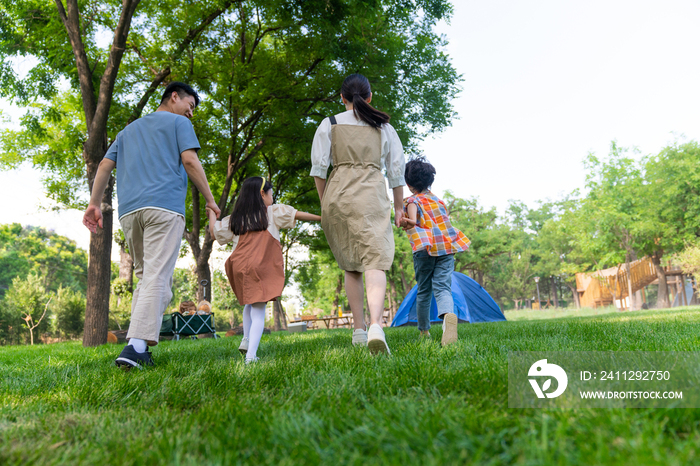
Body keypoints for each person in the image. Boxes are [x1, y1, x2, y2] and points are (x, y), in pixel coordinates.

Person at [83, 82, 221, 369]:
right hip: (164, 208)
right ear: (174, 97)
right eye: (190, 106)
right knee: (158, 277)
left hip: (130, 212)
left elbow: (104, 167)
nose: (191, 113)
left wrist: (94, 204)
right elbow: (190, 160)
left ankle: (138, 347)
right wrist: (210, 200)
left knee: (146, 276)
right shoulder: (178, 123)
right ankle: (135, 347)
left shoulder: (127, 131)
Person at [310, 73, 405, 354]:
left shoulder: (330, 124)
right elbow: (396, 171)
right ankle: (377, 324)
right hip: (372, 195)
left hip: (337, 197)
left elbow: (318, 169)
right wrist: (399, 207)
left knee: (350, 263)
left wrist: (325, 202)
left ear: (341, 98)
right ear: (369, 97)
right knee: (375, 259)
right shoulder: (384, 127)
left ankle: (359, 330)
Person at [207, 176, 321, 363]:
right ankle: (251, 356)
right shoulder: (272, 212)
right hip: (259, 265)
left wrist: (212, 212)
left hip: (239, 265)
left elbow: (214, 232)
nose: (272, 197)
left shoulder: (236, 218)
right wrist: (322, 218)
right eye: (270, 192)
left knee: (249, 303)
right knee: (259, 311)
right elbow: (297, 215)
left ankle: (246, 339)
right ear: (262, 193)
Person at [400, 156, 470, 346]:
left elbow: (413, 220)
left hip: (425, 249)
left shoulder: (412, 201)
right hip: (446, 248)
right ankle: (448, 315)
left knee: (424, 290)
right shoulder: (438, 201)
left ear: (408, 183)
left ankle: (424, 332)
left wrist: (408, 222)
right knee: (443, 287)